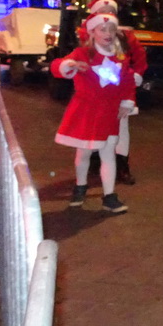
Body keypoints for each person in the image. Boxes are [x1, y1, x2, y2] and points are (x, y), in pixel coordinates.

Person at [52, 12, 136, 214]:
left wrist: (127, 100)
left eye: (112, 29)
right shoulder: (82, 53)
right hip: (87, 111)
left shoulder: (120, 57)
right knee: (84, 152)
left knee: (108, 153)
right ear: (92, 32)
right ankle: (80, 186)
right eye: (102, 29)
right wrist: (70, 65)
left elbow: (127, 81)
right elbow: (57, 67)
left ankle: (109, 196)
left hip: (109, 112)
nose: (108, 33)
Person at [82, 0, 147, 185]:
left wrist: (135, 75)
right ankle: (94, 162)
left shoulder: (125, 36)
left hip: (119, 90)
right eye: (104, 12)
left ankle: (122, 166)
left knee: (121, 128)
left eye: (112, 12)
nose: (108, 16)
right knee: (94, 125)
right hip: (96, 91)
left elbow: (139, 57)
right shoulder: (88, 35)